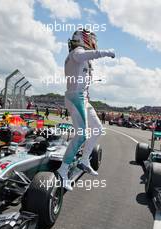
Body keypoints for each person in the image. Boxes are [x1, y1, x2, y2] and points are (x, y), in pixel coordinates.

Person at [57, 28, 115, 191]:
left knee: (97, 129)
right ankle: (62, 171)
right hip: (75, 97)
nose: (94, 41)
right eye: (91, 38)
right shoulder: (78, 52)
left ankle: (84, 160)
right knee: (81, 135)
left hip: (82, 98)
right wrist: (106, 52)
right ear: (83, 38)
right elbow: (83, 56)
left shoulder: (80, 56)